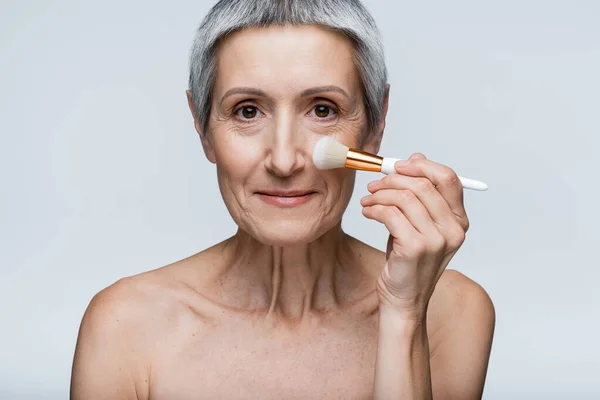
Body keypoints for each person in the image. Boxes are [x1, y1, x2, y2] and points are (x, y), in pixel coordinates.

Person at [70, 0, 495, 398]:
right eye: (248, 111)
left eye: (323, 109)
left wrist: (403, 314)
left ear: (375, 124)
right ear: (201, 127)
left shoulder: (450, 312)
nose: (285, 160)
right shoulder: (123, 326)